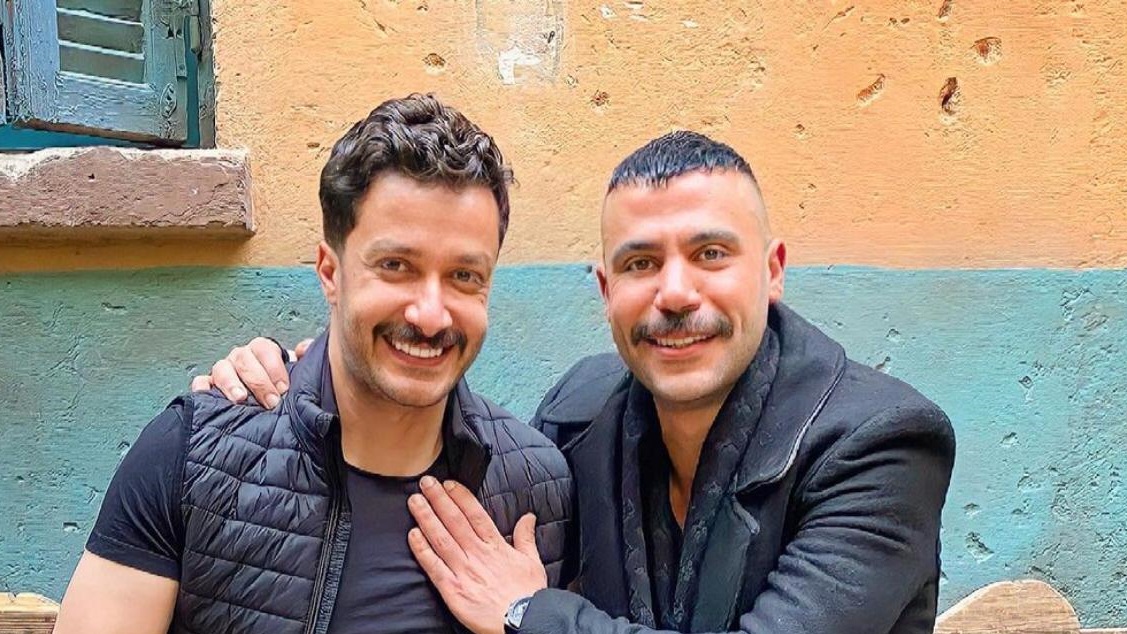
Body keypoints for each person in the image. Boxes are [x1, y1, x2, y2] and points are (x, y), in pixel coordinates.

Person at [203, 131, 956, 634]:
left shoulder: (881, 445)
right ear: (605, 290)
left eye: (711, 254)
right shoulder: (578, 417)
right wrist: (310, 375)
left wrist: (528, 613)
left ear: (773, 271)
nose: (674, 293)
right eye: (639, 263)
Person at [53, 94, 571, 634]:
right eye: (396, 266)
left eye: (465, 276)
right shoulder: (191, 456)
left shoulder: (539, 487)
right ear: (330, 272)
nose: (430, 315)